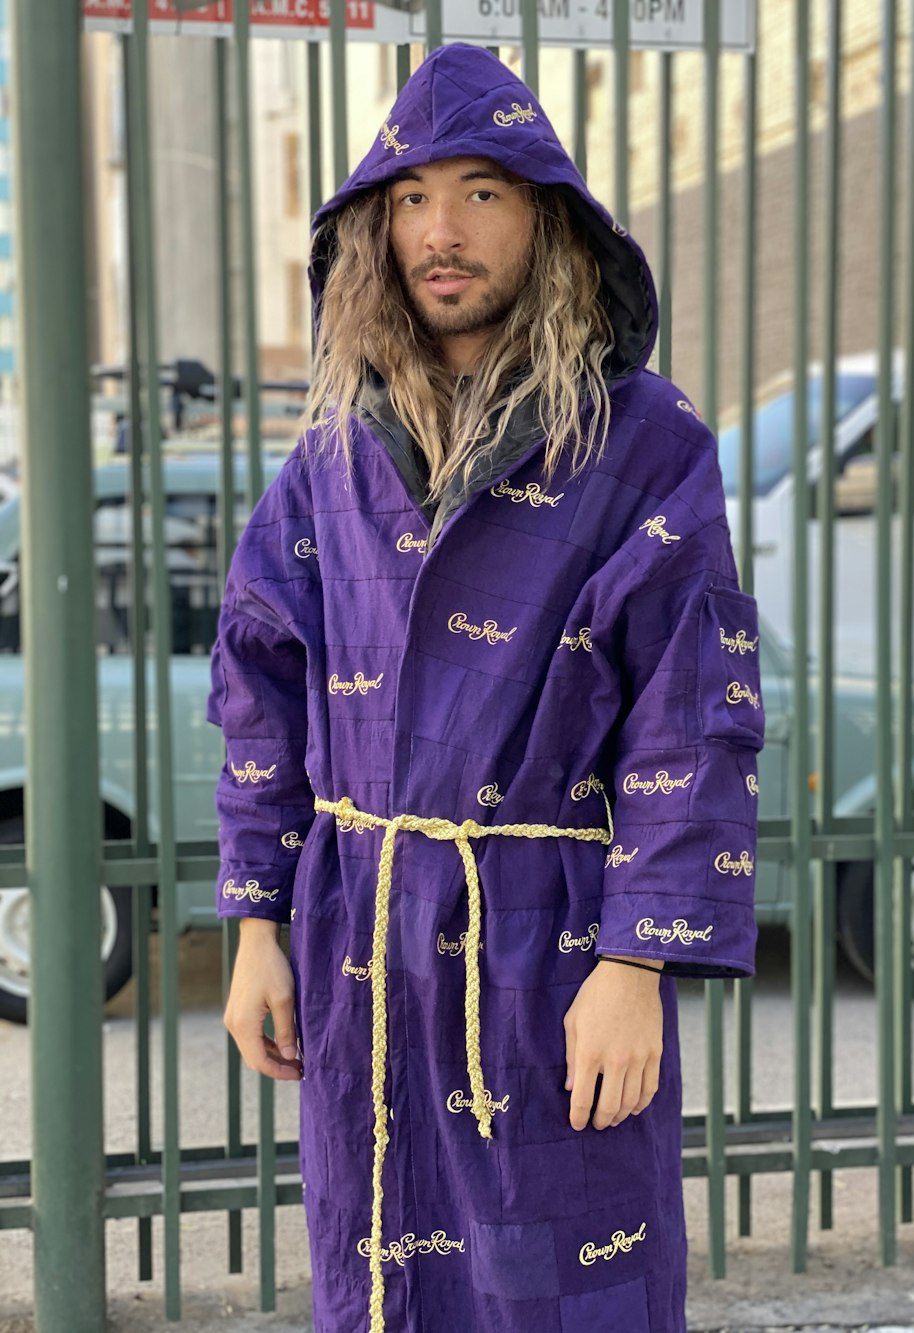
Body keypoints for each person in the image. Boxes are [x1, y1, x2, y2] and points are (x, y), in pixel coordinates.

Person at [210, 43, 764, 1333]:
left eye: (481, 193)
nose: (440, 232)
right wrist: (255, 925)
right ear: (371, 228)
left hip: (550, 941)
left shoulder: (644, 443)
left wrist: (637, 960)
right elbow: (261, 686)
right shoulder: (336, 456)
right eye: (408, 199)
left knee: (571, 1280)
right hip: (364, 941)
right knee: (381, 1280)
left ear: (547, 222)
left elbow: (692, 708)